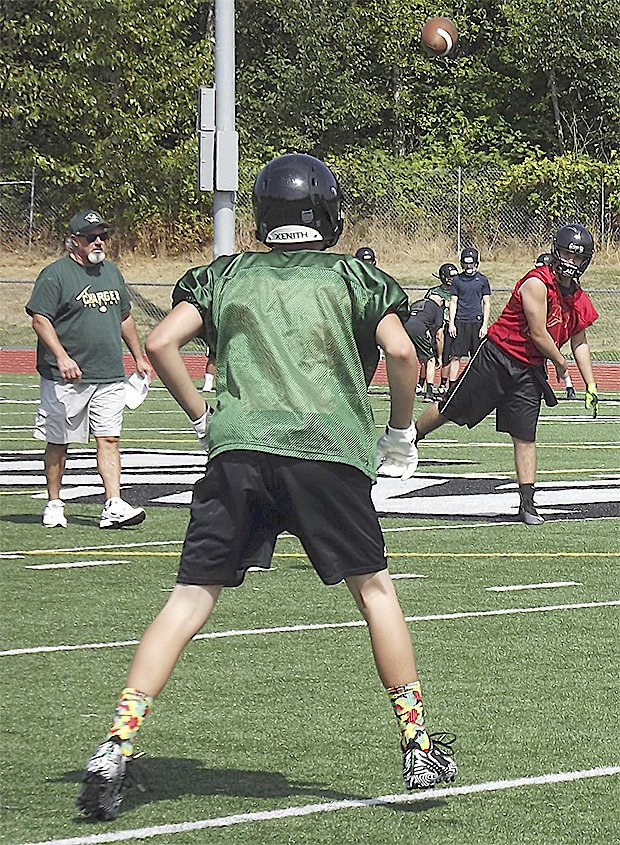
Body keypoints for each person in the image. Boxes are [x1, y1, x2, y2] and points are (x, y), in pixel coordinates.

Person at [76, 154, 457, 821]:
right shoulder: (355, 276)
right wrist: (400, 432)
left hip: (240, 452)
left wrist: (203, 417)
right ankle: (417, 743)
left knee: (190, 598)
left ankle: (116, 741)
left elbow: (164, 342)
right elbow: (403, 353)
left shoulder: (226, 274)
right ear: (329, 215)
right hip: (325, 451)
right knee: (374, 590)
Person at [414, 224, 599, 525]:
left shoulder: (578, 298)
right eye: (566, 253)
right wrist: (561, 364)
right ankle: (409, 438)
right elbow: (539, 334)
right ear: (556, 251)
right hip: (498, 356)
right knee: (452, 408)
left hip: (530, 369)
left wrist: (590, 382)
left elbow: (579, 340)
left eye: (577, 258)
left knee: (525, 434)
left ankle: (527, 503)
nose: (570, 262)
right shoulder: (536, 283)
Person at [25, 210, 153, 529]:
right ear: (74, 240)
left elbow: (125, 317)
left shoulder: (111, 272)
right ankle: (54, 502)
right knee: (59, 440)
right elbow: (40, 319)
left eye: (103, 236)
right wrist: (62, 356)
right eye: (91, 236)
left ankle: (113, 503)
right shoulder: (55, 275)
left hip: (109, 373)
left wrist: (139, 356)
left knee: (109, 439)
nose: (98, 242)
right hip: (66, 376)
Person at [447, 247, 491, 389]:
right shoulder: (457, 280)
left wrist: (484, 325)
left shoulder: (482, 280)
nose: (469, 267)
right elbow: (453, 302)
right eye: (466, 264)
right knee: (455, 356)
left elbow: (487, 303)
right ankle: (452, 386)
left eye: (471, 264)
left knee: (477, 358)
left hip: (476, 322)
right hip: (460, 321)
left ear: (476, 263)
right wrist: (451, 323)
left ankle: (477, 386)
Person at [535, 253, 576, 399]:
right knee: (539, 359)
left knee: (556, 357)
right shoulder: (535, 283)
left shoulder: (554, 287)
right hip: (538, 327)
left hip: (550, 326)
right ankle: (542, 384)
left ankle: (569, 386)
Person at [422, 262, 458, 397]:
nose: (452, 280)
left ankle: (443, 384)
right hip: (434, 327)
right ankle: (422, 383)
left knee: (447, 356)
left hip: (450, 327)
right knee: (429, 356)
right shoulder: (434, 292)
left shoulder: (457, 290)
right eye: (449, 277)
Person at [404, 295, 445, 402]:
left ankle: (407, 389)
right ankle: (429, 393)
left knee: (415, 360)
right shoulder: (437, 308)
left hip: (403, 327)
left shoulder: (417, 303)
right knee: (431, 360)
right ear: (440, 301)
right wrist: (439, 357)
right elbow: (439, 335)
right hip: (418, 329)